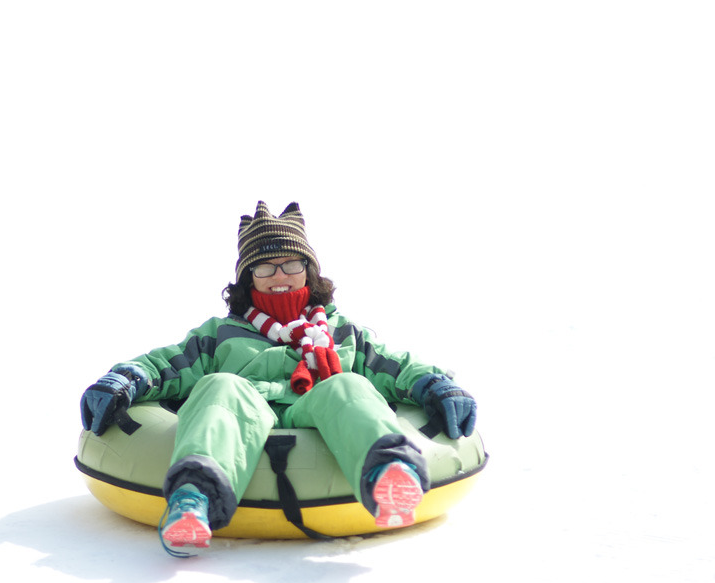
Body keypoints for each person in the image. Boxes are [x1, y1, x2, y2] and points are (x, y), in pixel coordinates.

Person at [80, 201, 476, 557]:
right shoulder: (221, 333)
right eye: (265, 267)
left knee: (349, 385)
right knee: (220, 385)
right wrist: (124, 379)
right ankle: (192, 502)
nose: (279, 275)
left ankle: (390, 477)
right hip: (246, 412)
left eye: (291, 264)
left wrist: (436, 384)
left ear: (309, 270)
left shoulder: (341, 332)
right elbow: (168, 363)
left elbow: (394, 366)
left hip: (319, 410)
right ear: (248, 277)